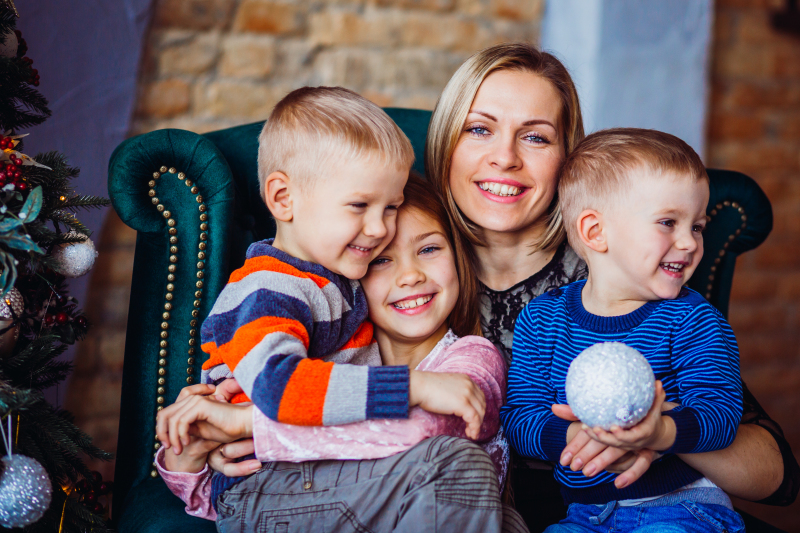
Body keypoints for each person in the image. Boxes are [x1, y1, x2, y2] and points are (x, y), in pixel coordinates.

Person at [424, 42, 798, 531]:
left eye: (535, 137)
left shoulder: (625, 274)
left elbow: (776, 476)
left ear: (567, 160)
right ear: (445, 142)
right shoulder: (403, 263)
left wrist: (649, 433)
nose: (505, 157)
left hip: (662, 505)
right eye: (479, 129)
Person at [156, 86, 513, 532]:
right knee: (460, 470)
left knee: (503, 518)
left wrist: (242, 424)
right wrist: (414, 387)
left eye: (391, 208)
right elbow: (281, 389)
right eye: (360, 207)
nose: (377, 229)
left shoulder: (338, 290)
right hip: (275, 485)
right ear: (282, 198)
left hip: (341, 489)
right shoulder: (269, 289)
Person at [500, 128, 745, 532]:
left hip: (681, 506)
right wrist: (577, 436)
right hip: (584, 514)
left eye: (697, 227)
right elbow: (519, 418)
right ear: (596, 232)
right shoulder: (542, 320)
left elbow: (721, 416)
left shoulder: (694, 319)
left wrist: (659, 432)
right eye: (668, 222)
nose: (689, 242)